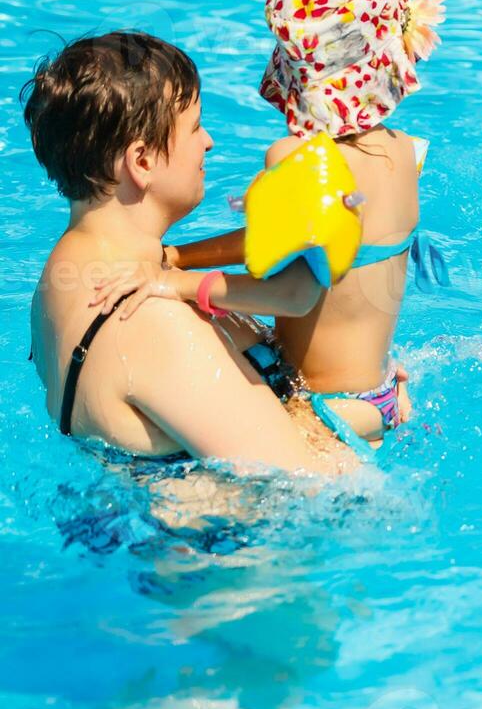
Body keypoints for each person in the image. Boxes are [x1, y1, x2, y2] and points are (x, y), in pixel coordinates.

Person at [93, 0, 443, 458]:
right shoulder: (406, 152)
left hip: (324, 414)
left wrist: (171, 283)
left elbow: (294, 293)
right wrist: (177, 254)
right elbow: (297, 244)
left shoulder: (302, 160)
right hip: (381, 391)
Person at [25, 32, 353, 473]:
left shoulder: (62, 276)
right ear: (141, 162)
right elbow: (313, 485)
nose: (209, 142)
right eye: (195, 126)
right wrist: (378, 412)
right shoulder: (150, 321)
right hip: (230, 541)